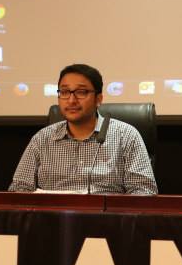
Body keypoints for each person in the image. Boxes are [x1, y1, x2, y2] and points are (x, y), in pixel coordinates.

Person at [9, 63, 157, 194]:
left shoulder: (126, 135)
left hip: (106, 216)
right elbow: (19, 188)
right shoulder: (42, 138)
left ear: (98, 99)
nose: (71, 100)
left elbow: (144, 190)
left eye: (81, 92)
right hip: (52, 215)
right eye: (65, 92)